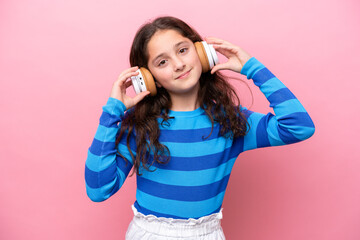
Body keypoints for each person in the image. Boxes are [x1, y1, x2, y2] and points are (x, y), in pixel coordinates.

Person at [84, 16, 315, 239]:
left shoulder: (231, 121)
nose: (178, 64)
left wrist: (252, 67)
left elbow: (298, 126)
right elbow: (99, 190)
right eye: (162, 62)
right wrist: (112, 113)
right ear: (147, 78)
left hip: (207, 234)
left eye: (183, 50)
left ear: (202, 52)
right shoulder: (139, 125)